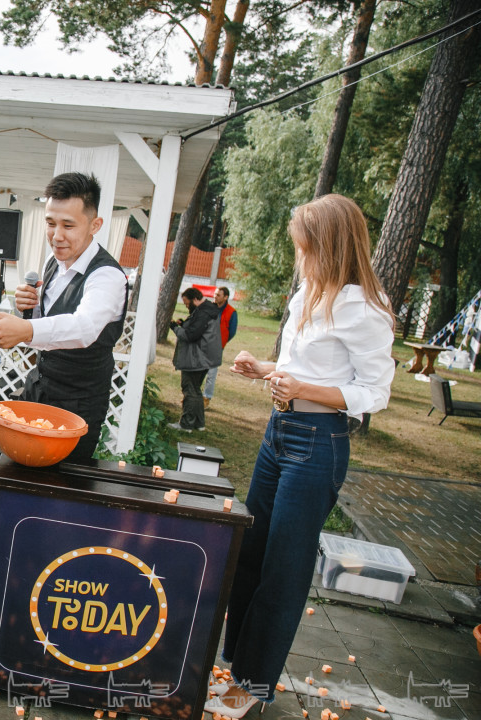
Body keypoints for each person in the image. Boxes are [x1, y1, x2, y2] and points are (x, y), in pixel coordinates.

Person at [209, 194, 394, 718]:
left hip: (318, 444)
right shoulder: (307, 294)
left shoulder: (365, 309)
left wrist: (302, 386)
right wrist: (265, 369)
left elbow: (374, 394)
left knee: (283, 568)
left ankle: (252, 685)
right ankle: (236, 665)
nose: (299, 257)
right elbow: (300, 368)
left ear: (331, 247)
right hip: (278, 433)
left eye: (305, 248)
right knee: (251, 552)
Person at [0, 172, 129, 464]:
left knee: (57, 485)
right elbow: (50, 321)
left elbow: (84, 328)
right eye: (50, 223)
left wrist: (26, 328)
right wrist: (28, 308)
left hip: (78, 405)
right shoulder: (52, 262)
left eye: (68, 225)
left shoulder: (107, 276)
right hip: (37, 388)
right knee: (6, 468)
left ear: (95, 225)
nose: (57, 235)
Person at [167, 287, 221, 432]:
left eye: (187, 303)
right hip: (205, 358)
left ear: (195, 299)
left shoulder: (203, 313)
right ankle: (199, 423)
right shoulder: (208, 310)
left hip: (196, 359)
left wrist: (174, 327)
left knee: (189, 390)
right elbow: (196, 329)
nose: (186, 306)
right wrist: (183, 324)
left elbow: (190, 335)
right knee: (196, 390)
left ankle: (186, 424)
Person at [204, 286, 238, 408]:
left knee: (211, 374)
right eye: (215, 294)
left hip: (217, 347)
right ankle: (194, 398)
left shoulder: (231, 312)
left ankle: (206, 398)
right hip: (203, 344)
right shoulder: (207, 307)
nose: (215, 296)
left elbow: (232, 332)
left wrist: (221, 341)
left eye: (218, 295)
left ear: (225, 297)